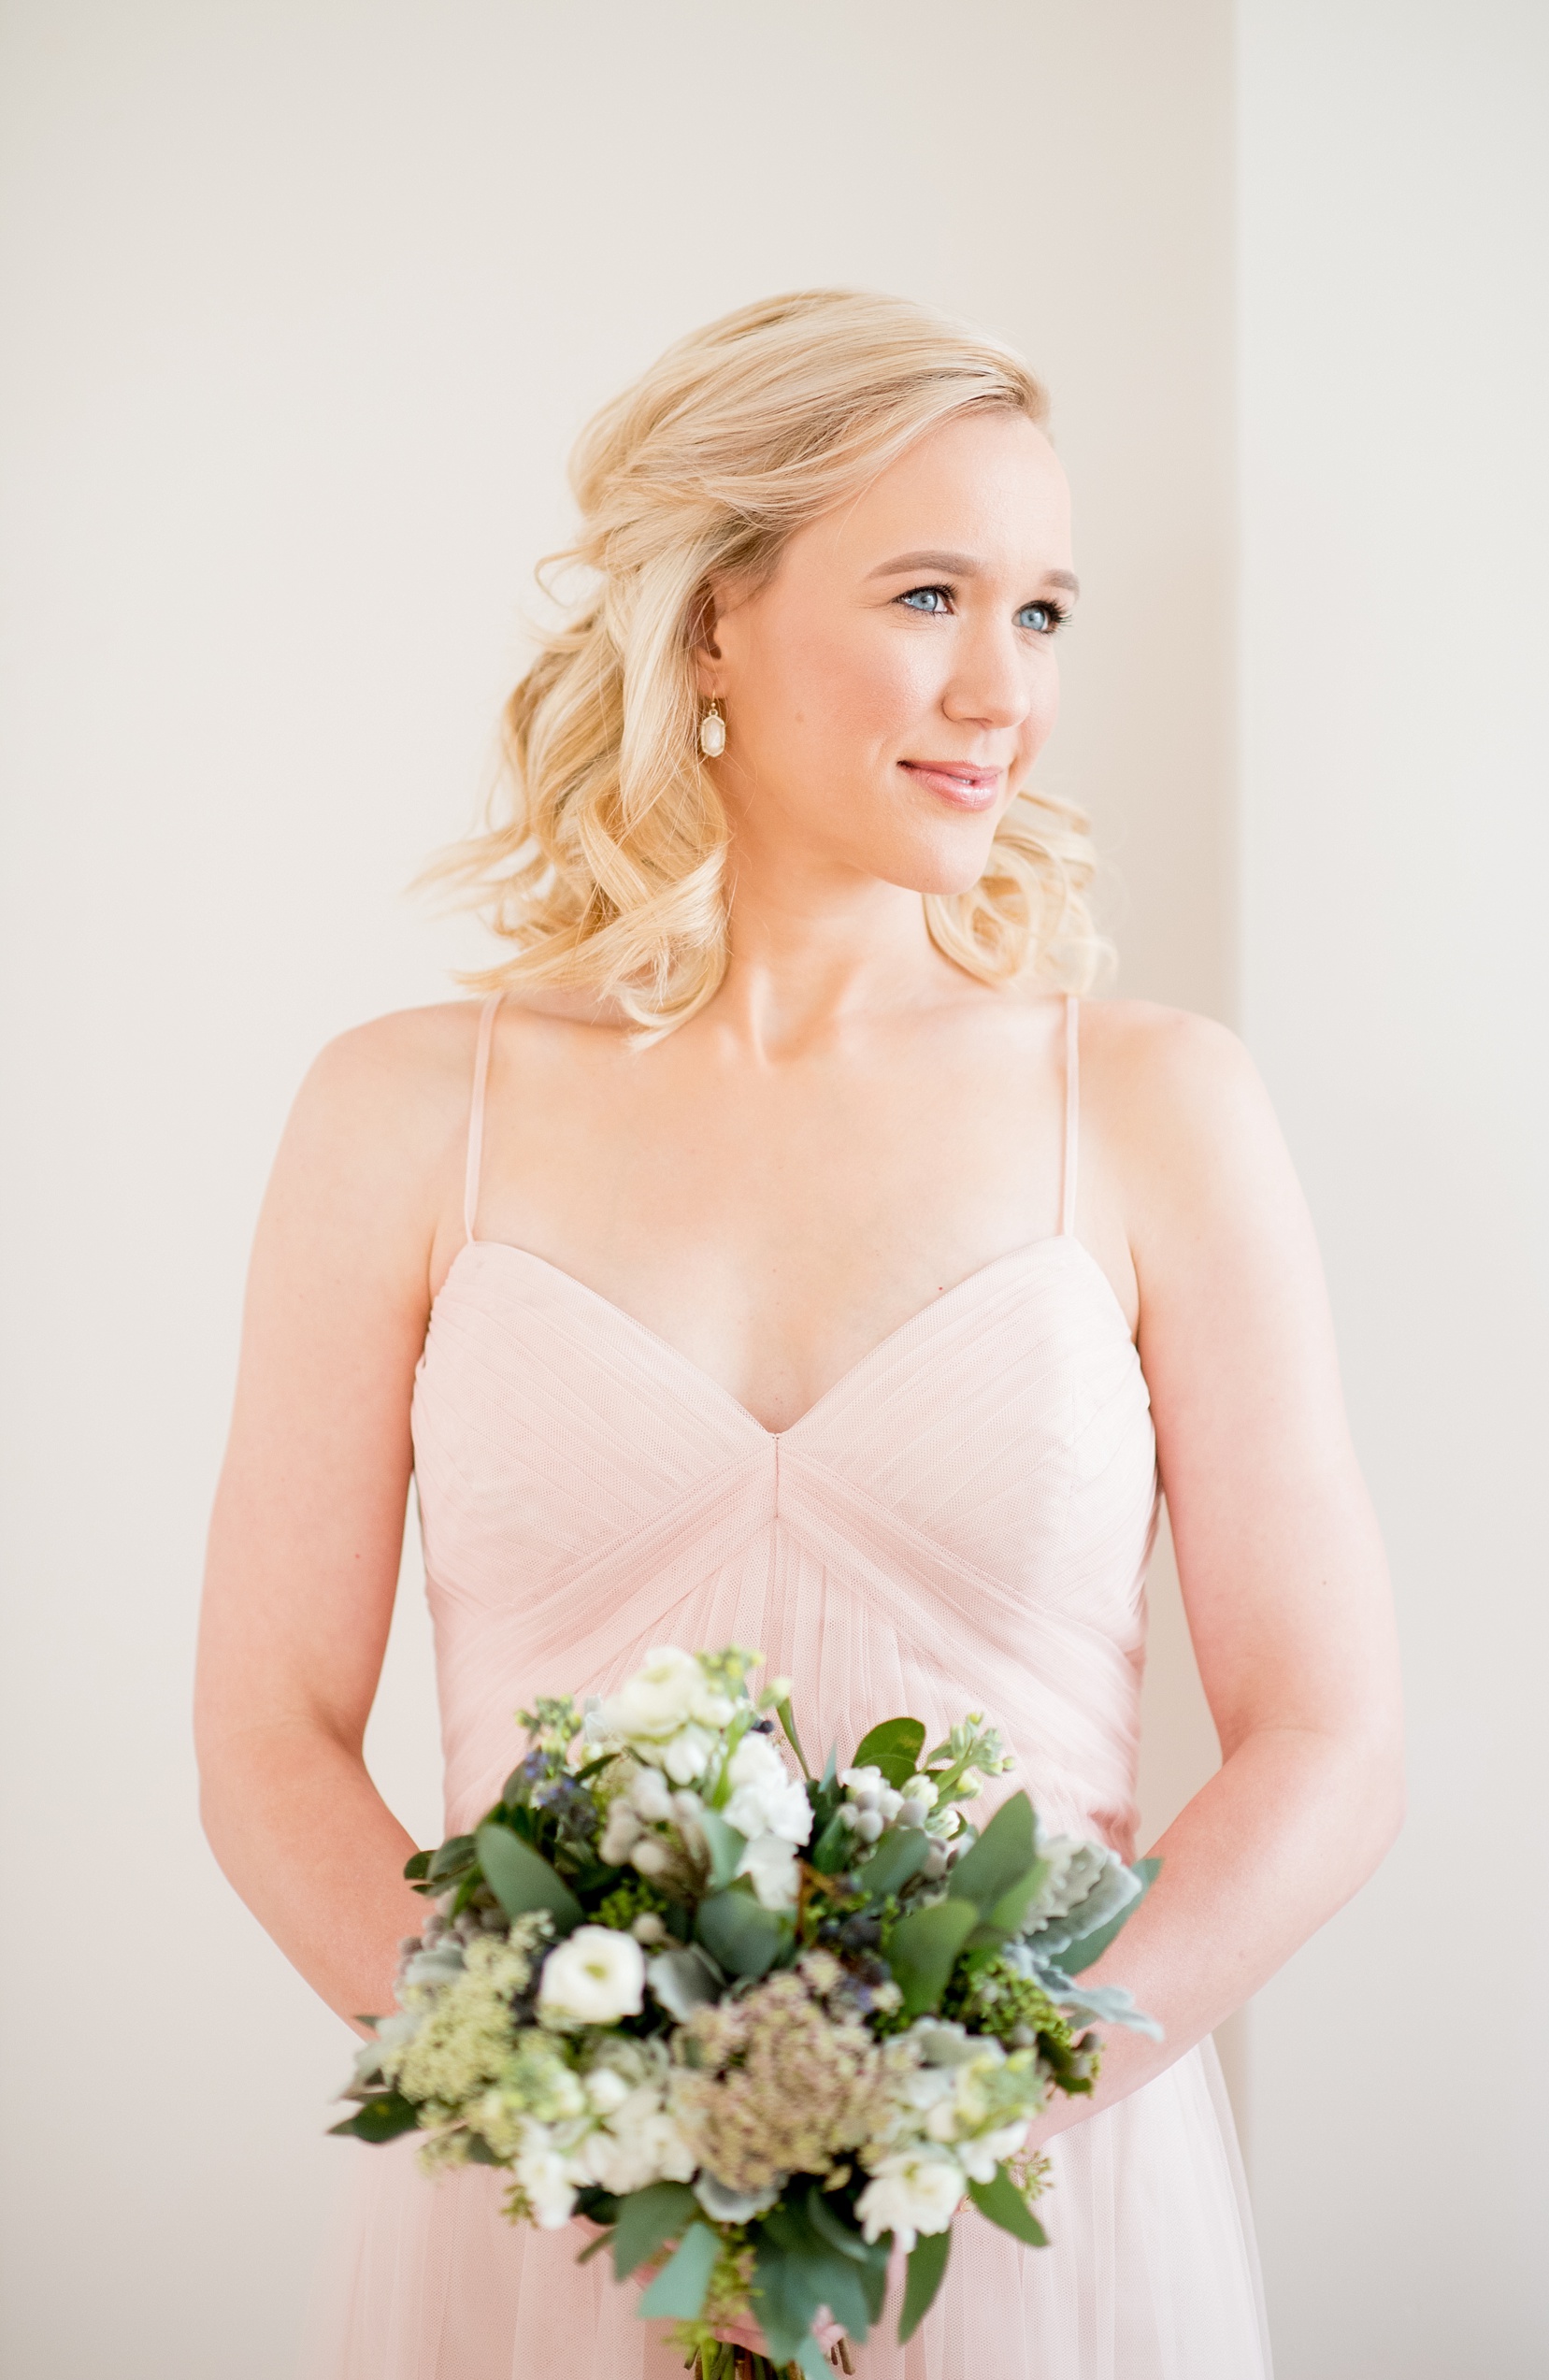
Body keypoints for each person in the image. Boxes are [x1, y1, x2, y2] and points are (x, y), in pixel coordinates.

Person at [194, 290, 1402, 2379]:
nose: (993, 687)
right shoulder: (404, 1112)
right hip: (540, 2227)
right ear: (713, 624)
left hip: (1030, 2210)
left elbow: (1327, 1733)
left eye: (1038, 613)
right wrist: (566, 2123)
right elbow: (268, 1734)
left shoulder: (1150, 1105)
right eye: (926, 592)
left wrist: (969, 2120)